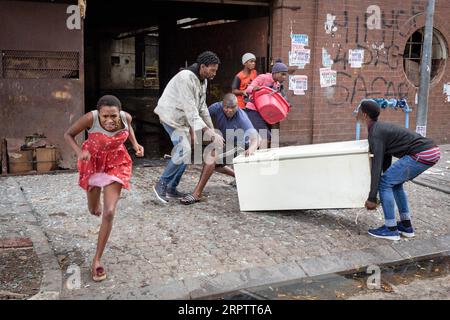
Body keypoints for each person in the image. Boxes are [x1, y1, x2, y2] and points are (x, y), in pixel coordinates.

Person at [64, 95, 144, 281]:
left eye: (113, 116)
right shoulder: (89, 118)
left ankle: (97, 260)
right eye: (105, 117)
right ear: (98, 115)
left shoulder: (126, 118)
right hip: (92, 161)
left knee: (108, 212)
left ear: (119, 113)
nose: (109, 120)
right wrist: (79, 152)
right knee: (94, 210)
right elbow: (68, 134)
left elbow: (129, 128)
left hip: (116, 162)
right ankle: (94, 202)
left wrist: (134, 143)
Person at [357, 100, 441, 241]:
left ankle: (390, 229)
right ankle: (405, 226)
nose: (356, 114)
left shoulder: (375, 132)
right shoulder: (380, 128)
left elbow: (376, 166)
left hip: (422, 153)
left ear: (364, 115)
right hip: (431, 151)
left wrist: (372, 197)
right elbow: (385, 158)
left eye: (358, 111)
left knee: (385, 183)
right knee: (393, 183)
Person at [153, 51, 224, 204]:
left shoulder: (203, 80)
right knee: (183, 150)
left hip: (182, 120)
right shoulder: (186, 78)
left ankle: (171, 188)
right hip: (170, 117)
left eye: (216, 70)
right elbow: (191, 111)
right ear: (203, 66)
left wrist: (213, 132)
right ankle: (161, 185)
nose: (214, 73)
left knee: (186, 151)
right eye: (212, 70)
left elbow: (202, 107)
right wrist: (210, 134)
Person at [180, 93, 259, 205]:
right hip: (228, 143)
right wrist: (192, 133)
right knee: (211, 165)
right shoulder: (216, 107)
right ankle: (239, 176)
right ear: (222, 105)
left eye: (233, 107)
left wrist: (251, 148)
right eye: (227, 107)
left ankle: (196, 194)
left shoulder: (242, 117)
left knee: (211, 159)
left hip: (241, 145)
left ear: (237, 106)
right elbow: (198, 118)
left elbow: (255, 138)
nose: (230, 110)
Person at [244, 59, 288, 148]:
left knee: (263, 136)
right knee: (265, 136)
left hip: (263, 113)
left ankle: (255, 154)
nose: (284, 77)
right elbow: (248, 89)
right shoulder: (263, 78)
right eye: (282, 74)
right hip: (252, 111)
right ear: (275, 73)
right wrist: (254, 89)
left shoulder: (277, 85)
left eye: (285, 75)